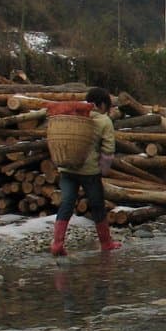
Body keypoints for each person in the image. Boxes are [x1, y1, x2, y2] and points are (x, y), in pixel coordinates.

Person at [50, 87, 120, 256]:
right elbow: (108, 149)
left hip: (66, 167)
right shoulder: (103, 120)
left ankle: (57, 243)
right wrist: (103, 170)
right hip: (89, 171)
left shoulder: (73, 115)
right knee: (97, 205)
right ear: (102, 104)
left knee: (66, 203)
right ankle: (106, 243)